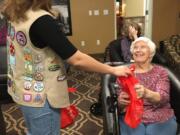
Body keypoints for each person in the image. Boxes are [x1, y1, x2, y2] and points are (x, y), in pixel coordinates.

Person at [0, 0, 132, 135]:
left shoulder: (15, 15)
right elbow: (77, 59)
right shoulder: (41, 21)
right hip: (42, 97)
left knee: (34, 131)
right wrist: (113, 70)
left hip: (22, 90)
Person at [117, 37, 177, 135]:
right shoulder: (125, 72)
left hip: (160, 116)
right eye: (135, 48)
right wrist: (121, 102)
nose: (138, 50)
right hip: (132, 116)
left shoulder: (160, 72)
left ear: (151, 53)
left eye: (143, 47)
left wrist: (146, 93)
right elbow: (118, 104)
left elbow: (163, 98)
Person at [90, 21, 142, 116]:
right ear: (127, 32)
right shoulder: (124, 42)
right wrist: (135, 38)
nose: (135, 33)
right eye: (133, 31)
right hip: (128, 67)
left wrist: (135, 38)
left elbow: (147, 53)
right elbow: (127, 59)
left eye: (136, 30)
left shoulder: (140, 40)